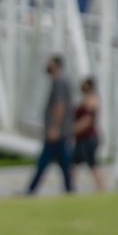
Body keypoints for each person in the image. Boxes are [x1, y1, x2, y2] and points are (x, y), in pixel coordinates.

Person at [25, 54, 74, 194]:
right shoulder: (63, 80)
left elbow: (59, 106)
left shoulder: (59, 81)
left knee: (45, 162)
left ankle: (31, 190)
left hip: (58, 132)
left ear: (56, 65)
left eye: (49, 63)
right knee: (62, 164)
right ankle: (69, 189)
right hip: (61, 132)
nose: (46, 66)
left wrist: (54, 128)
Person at [70, 78, 105, 192]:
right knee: (74, 163)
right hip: (81, 138)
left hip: (88, 137)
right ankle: (70, 186)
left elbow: (88, 120)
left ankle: (100, 187)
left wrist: (74, 129)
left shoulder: (92, 100)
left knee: (92, 163)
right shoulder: (84, 99)